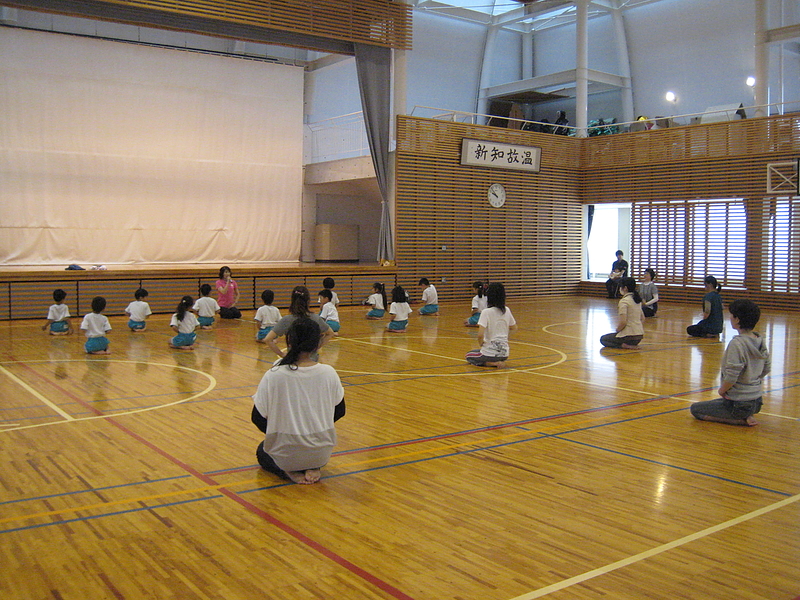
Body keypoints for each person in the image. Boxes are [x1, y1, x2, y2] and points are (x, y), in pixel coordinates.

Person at [251, 317, 346, 484]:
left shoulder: (275, 375)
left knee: (262, 450)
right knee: (308, 451)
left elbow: (257, 418)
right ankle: (313, 465)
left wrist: (280, 433)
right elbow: (340, 411)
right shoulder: (329, 372)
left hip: (286, 455)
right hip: (321, 454)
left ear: (289, 342)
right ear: (317, 344)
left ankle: (288, 470)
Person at [690, 299, 770, 426]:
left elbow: (732, 377)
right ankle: (746, 414)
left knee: (696, 409)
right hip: (757, 401)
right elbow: (766, 368)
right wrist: (752, 382)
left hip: (740, 404)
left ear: (737, 319)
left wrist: (722, 390)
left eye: (732, 315)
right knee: (715, 404)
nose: (730, 317)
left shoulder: (737, 344)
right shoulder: (759, 339)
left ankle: (739, 420)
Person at [264, 286, 334, 360]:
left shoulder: (287, 320)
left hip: (293, 360)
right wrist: (316, 347)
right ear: (308, 301)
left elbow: (268, 339)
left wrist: (282, 354)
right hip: (311, 360)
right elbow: (330, 333)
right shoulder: (315, 318)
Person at [465, 282, 517, 368]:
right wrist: (504, 337)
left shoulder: (486, 312)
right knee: (477, 352)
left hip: (489, 353)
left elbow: (480, 335)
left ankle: (492, 363)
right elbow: (514, 328)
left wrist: (482, 344)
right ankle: (497, 361)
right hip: (504, 354)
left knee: (469, 355)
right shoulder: (507, 310)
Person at [600, 277, 644, 349]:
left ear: (625, 288)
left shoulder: (624, 301)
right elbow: (642, 318)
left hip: (628, 337)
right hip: (639, 336)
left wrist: (618, 330)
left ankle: (625, 346)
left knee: (603, 339)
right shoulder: (637, 300)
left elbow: (623, 322)